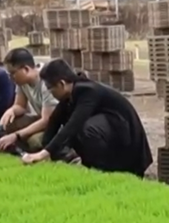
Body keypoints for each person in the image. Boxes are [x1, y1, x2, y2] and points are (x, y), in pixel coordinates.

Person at [20, 59, 153, 178]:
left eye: (50, 89)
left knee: (85, 129)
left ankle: (103, 172)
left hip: (129, 146)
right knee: (73, 128)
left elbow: (73, 125)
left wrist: (43, 154)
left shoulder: (88, 91)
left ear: (61, 84)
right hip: (113, 135)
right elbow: (54, 122)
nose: (50, 93)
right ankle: (92, 168)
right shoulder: (70, 94)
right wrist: (43, 151)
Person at [0, 48, 58, 155]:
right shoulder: (22, 82)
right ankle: (18, 147)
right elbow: (20, 106)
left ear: (26, 69)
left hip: (55, 124)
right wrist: (12, 111)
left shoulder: (46, 81)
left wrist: (16, 135)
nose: (11, 78)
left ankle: (27, 150)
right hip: (39, 118)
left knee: (34, 141)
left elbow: (47, 120)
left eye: (13, 73)